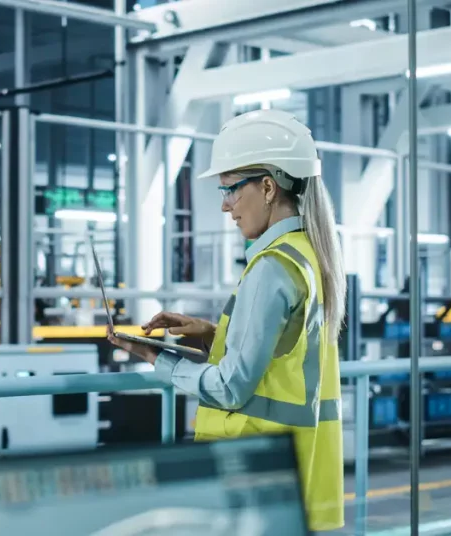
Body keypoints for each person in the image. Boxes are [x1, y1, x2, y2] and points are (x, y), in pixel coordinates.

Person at [108, 109, 346, 532]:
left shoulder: (272, 267)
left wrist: (154, 358)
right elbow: (282, 353)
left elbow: (232, 387)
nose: (225, 206)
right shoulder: (309, 254)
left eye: (231, 190)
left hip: (255, 468)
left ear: (269, 187)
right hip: (299, 465)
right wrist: (211, 335)